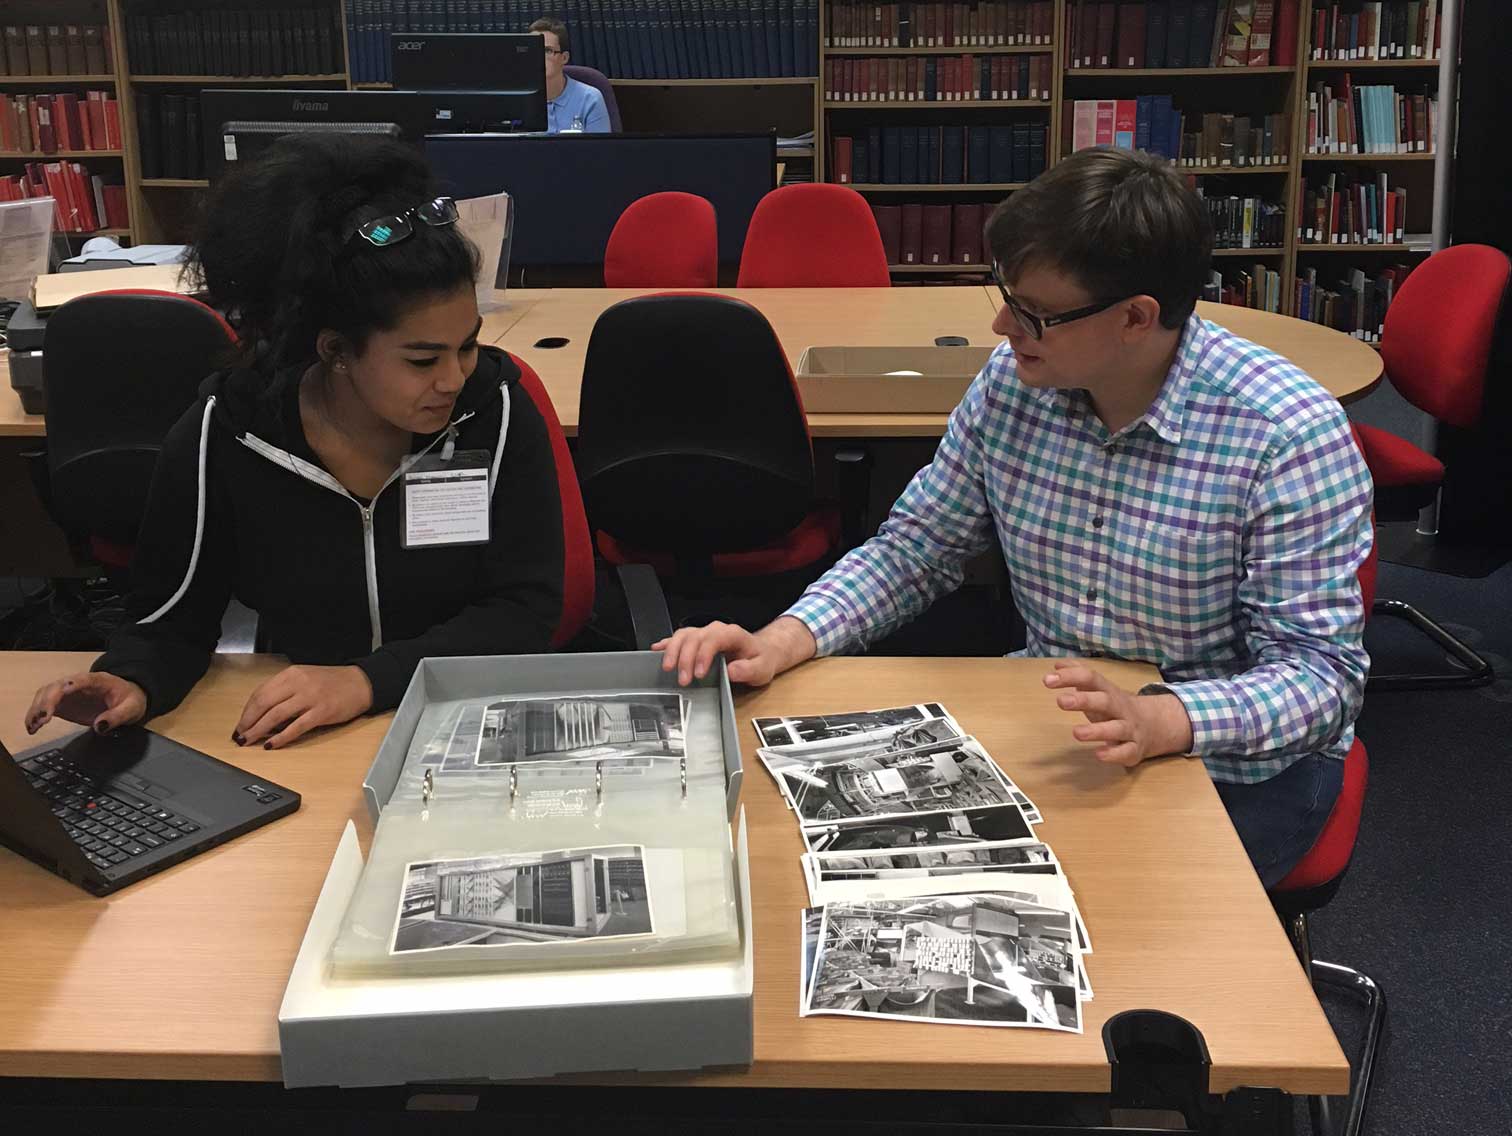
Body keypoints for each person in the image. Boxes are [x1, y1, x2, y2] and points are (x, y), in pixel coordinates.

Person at [656, 147, 1373, 888]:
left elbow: (1322, 678)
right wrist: (783, 639)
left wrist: (1165, 718)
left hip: (1234, 765)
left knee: (1107, 927)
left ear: (1135, 317)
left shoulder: (1284, 432)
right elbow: (917, 547)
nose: (1002, 325)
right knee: (863, 878)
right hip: (1058, 730)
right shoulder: (1017, 384)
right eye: (1005, 295)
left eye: (1034, 313)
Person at [23, 134, 571, 750]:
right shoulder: (229, 430)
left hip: (467, 720)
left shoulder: (494, 409)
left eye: (467, 345)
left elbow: (524, 610)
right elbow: (171, 618)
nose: (454, 378)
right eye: (422, 360)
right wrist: (131, 679)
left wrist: (365, 681)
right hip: (311, 736)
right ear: (335, 350)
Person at [529, 18, 610, 134]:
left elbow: (601, 150)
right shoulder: (516, 101)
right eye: (533, 49)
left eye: (547, 51)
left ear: (564, 58)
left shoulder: (590, 98)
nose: (538, 57)